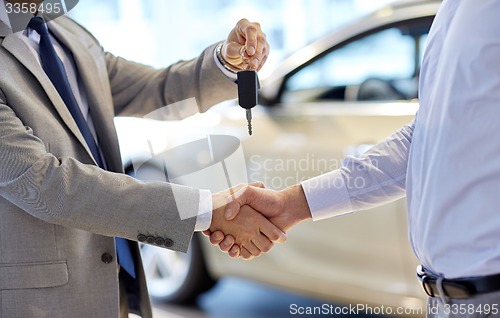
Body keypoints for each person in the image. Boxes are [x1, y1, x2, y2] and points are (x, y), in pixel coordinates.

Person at [208, 1, 500, 317]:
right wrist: (289, 205)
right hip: (445, 299)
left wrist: (198, 213)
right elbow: (426, 137)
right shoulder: (453, 10)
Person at [0, 1, 285, 317]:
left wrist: (225, 61)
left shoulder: (65, 31)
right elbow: (46, 185)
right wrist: (204, 210)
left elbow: (155, 89)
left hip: (110, 284)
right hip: (38, 302)